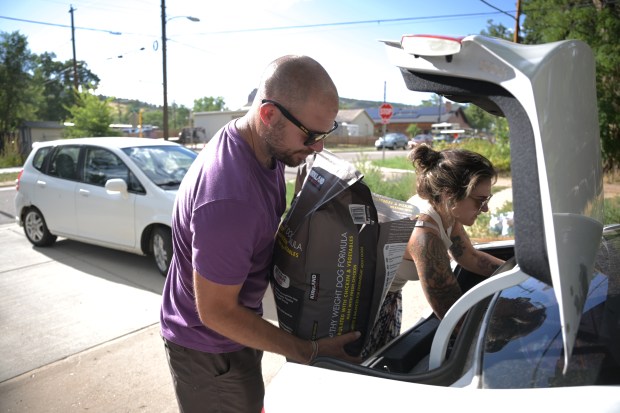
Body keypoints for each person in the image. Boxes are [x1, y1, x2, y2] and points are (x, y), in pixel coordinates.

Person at [160, 55, 360, 413]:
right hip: (210, 350)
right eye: (311, 136)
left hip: (234, 335)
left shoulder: (258, 146)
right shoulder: (229, 198)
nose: (318, 147)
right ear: (269, 115)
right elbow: (218, 312)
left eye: (324, 134)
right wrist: (306, 351)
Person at [363, 145, 505, 357]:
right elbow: (454, 315)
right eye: (480, 201)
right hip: (365, 307)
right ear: (450, 195)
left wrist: (524, 277)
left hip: (386, 297)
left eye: (487, 199)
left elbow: (471, 258)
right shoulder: (423, 235)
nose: (485, 209)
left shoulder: (446, 210)